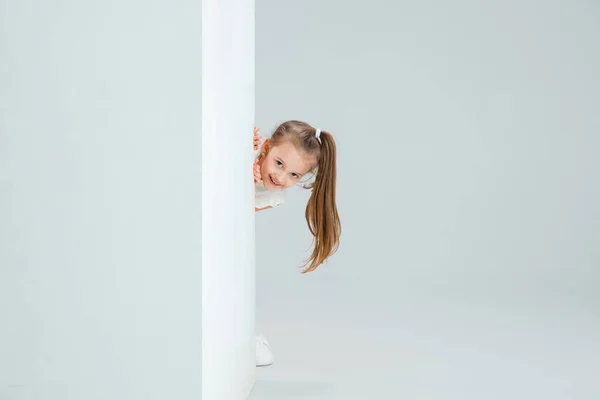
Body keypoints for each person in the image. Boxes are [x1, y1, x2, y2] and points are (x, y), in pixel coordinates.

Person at [252, 120, 341, 366]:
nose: (280, 177)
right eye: (278, 163)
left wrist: (246, 184)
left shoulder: (274, 196)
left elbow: (235, 213)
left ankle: (249, 333)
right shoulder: (250, 149)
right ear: (267, 147)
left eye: (294, 175)